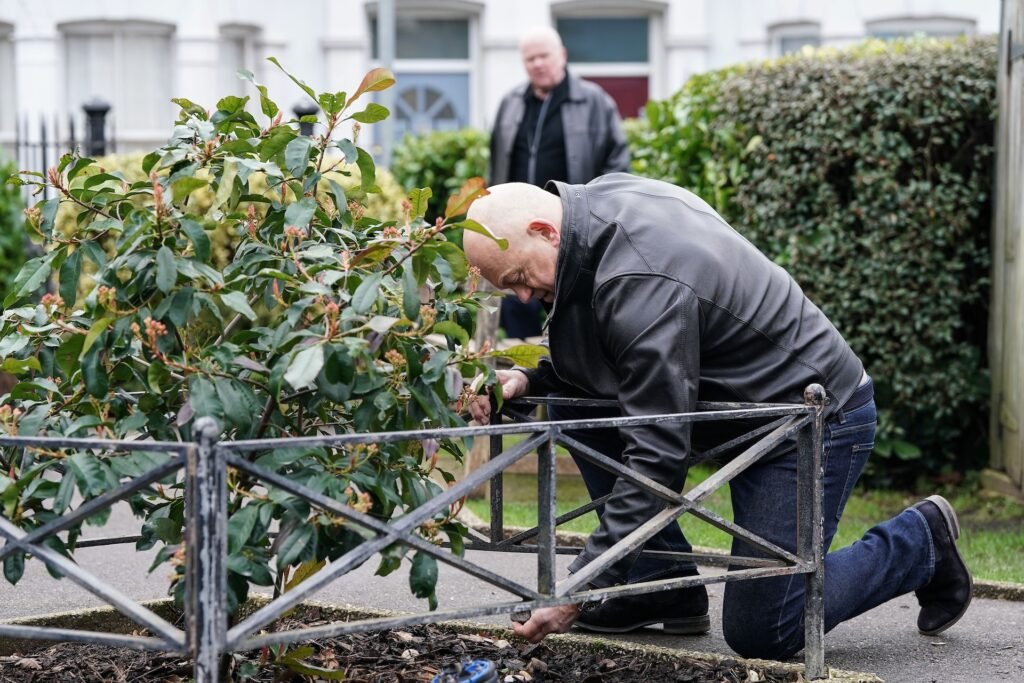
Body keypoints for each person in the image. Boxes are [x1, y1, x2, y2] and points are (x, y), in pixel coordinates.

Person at [464, 175, 973, 661]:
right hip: (740, 408)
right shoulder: (594, 214)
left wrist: (583, 583)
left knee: (765, 629)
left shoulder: (640, 276)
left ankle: (919, 541)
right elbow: (618, 349)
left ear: (545, 231)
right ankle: (656, 588)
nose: (523, 297)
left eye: (519, 279)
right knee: (577, 410)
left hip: (811, 419)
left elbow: (657, 457)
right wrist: (528, 378)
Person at [489, 25, 630, 340]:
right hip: (516, 231)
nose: (538, 64)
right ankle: (525, 368)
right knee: (518, 309)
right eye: (530, 59)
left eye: (544, 56)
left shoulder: (595, 102)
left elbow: (617, 168)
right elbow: (496, 164)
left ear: (562, 55)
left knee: (574, 315)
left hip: (572, 232)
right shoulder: (511, 103)